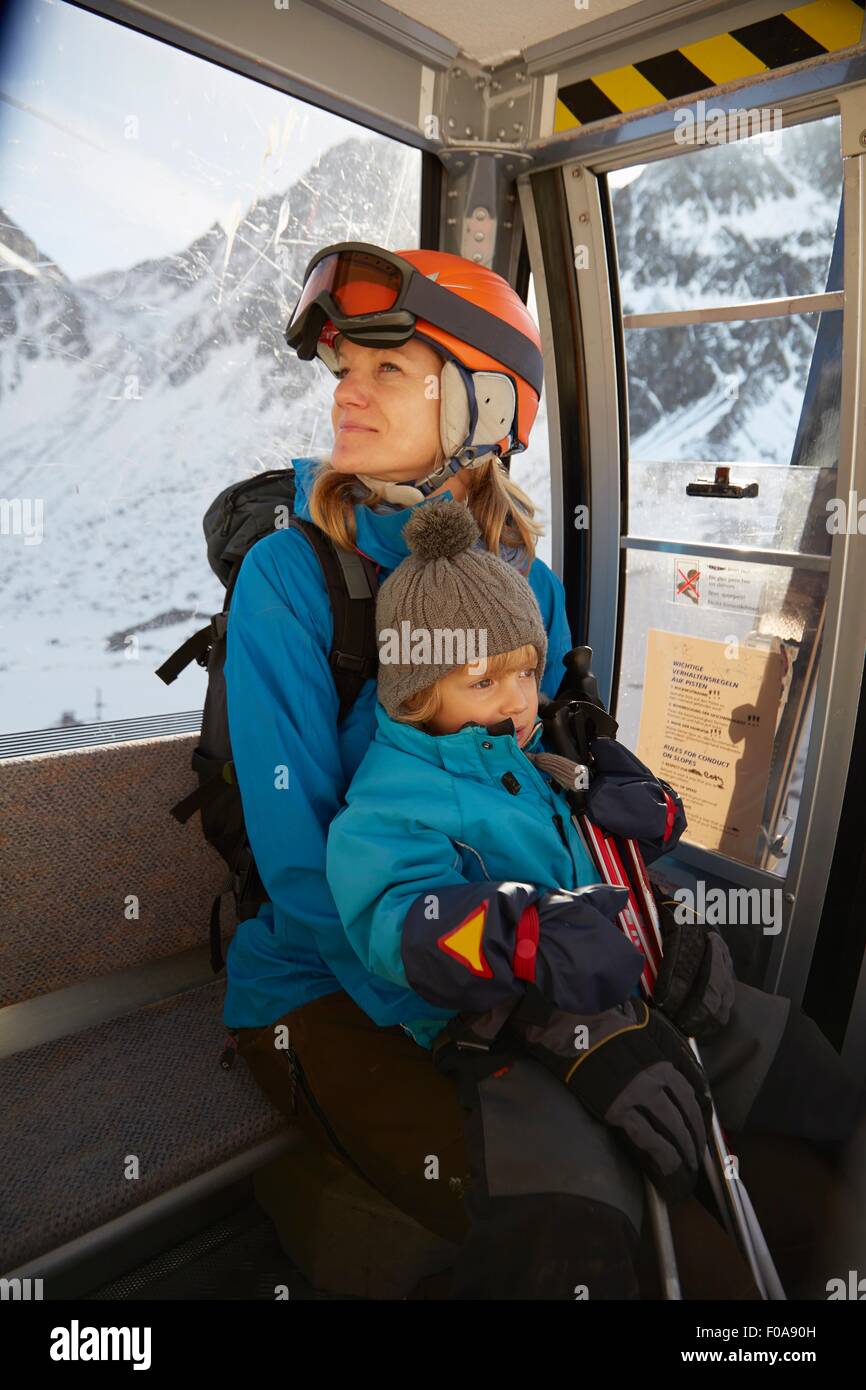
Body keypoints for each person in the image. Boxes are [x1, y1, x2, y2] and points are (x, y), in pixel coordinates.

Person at [227, 243, 860, 1299]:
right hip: (335, 983)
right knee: (646, 1251)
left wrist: (632, 927)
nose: (348, 394)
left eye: (388, 368)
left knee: (799, 1178)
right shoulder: (290, 577)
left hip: (520, 954)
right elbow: (307, 881)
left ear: (483, 402)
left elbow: (541, 783)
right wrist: (547, 1015)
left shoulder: (524, 577)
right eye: (343, 371)